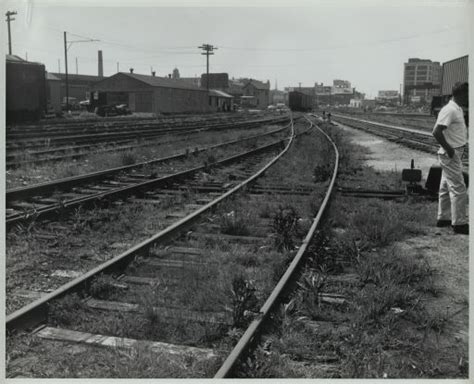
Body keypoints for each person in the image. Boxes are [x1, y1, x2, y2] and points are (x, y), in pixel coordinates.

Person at [432, 82, 469, 234]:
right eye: (468, 94)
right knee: (459, 188)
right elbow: (436, 132)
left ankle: (443, 218)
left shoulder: (457, 108)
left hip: (454, 152)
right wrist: (450, 150)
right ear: (461, 94)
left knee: (445, 187)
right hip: (451, 153)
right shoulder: (450, 110)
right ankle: (459, 224)